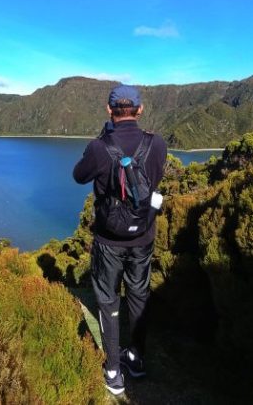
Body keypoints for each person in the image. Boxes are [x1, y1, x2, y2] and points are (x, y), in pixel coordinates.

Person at [72, 84, 167, 396]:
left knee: (108, 300)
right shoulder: (158, 144)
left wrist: (102, 142)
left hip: (108, 239)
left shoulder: (100, 147)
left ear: (108, 110)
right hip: (143, 236)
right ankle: (136, 359)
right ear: (139, 110)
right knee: (139, 295)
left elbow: (79, 175)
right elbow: (154, 178)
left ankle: (113, 371)